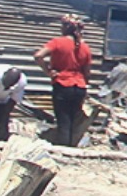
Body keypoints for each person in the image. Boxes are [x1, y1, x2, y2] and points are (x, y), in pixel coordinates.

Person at [33, 15, 93, 147]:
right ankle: (72, 145)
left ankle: (63, 147)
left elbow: (38, 56)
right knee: (74, 119)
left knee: (63, 119)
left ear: (66, 27)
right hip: (80, 86)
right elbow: (87, 72)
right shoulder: (85, 47)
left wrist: (48, 72)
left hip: (62, 84)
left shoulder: (57, 42)